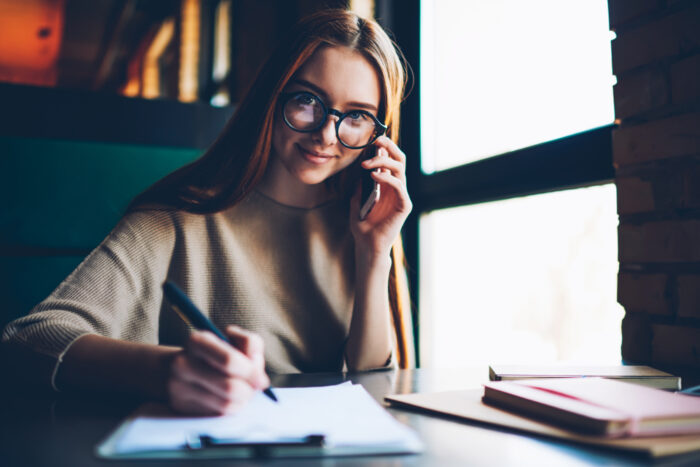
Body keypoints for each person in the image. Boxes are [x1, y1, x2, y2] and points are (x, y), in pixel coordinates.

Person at [1, 9, 412, 415]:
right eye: (307, 100)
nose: (325, 134)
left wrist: (374, 254)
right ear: (271, 98)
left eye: (357, 116)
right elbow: (26, 340)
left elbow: (372, 385)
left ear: (379, 134)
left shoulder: (362, 227)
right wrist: (167, 369)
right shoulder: (174, 220)